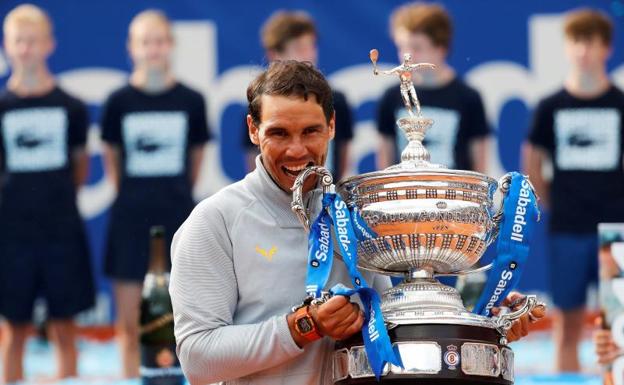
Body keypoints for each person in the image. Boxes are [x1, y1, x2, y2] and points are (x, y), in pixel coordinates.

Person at [169, 60, 542, 385]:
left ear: (331, 126)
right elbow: (198, 358)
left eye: (311, 131)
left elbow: (387, 325)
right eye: (279, 133)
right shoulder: (214, 221)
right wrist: (305, 326)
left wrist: (484, 321)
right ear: (253, 130)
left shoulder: (351, 216)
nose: (297, 149)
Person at [100, 10, 210, 378]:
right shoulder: (117, 102)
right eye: (145, 42)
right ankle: (131, 376)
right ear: (132, 48)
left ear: (171, 45)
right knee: (131, 322)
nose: (153, 49)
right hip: (130, 221)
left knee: (185, 321)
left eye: (159, 41)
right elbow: (112, 162)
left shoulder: (192, 100)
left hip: (178, 216)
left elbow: (194, 162)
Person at [523, 8, 624, 372]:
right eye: (575, 42)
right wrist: (553, 203)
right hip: (567, 226)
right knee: (567, 322)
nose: (582, 50)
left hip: (616, 228)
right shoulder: (550, 106)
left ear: (605, 48)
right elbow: (533, 162)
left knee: (619, 326)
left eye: (590, 42)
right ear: (567, 48)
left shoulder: (619, 104)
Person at [0, 4, 95, 383]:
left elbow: (80, 168)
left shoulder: (70, 107)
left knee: (64, 331)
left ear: (49, 45)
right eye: (18, 42)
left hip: (61, 232)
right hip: (12, 235)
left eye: (32, 41)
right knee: (13, 334)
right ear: (7, 46)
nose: (25, 50)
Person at [376, 2, 490, 172]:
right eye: (402, 47)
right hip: (405, 195)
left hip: (453, 195)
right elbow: (385, 158)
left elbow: (479, 163)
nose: (408, 55)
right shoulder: (391, 97)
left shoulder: (468, 98)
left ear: (441, 49)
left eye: (417, 48)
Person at [241, 10, 353, 180]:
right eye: (299, 48)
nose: (309, 55)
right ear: (274, 54)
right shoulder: (262, 104)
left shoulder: (336, 100)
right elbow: (252, 159)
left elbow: (344, 154)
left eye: (311, 46)